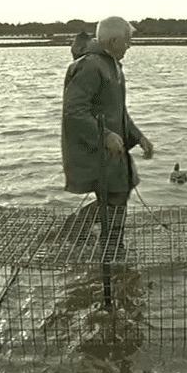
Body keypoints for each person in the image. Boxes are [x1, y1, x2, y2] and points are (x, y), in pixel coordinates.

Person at [61, 16, 153, 249]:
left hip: (114, 147)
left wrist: (138, 136)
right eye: (126, 41)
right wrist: (106, 135)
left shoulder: (112, 64)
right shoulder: (91, 65)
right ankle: (108, 248)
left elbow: (118, 111)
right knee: (115, 193)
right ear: (112, 40)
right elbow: (74, 110)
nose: (130, 46)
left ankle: (95, 239)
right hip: (97, 147)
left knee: (121, 188)